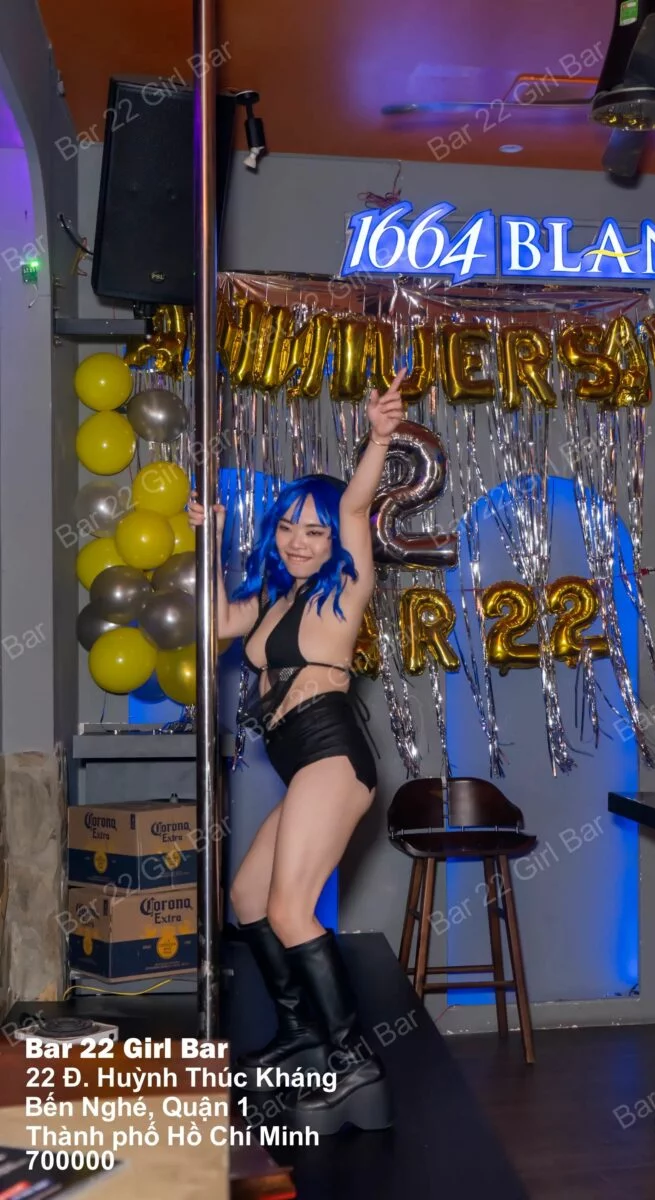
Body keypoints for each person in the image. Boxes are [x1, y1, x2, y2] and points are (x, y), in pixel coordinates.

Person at [187, 369, 406, 1136]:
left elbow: (355, 505)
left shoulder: (343, 590)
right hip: (298, 761)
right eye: (289, 527)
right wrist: (209, 536)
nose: (300, 540)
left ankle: (353, 1060)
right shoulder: (279, 597)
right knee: (249, 900)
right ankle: (302, 1035)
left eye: (314, 530)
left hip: (330, 753)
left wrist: (377, 438)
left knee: (288, 907)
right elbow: (216, 622)